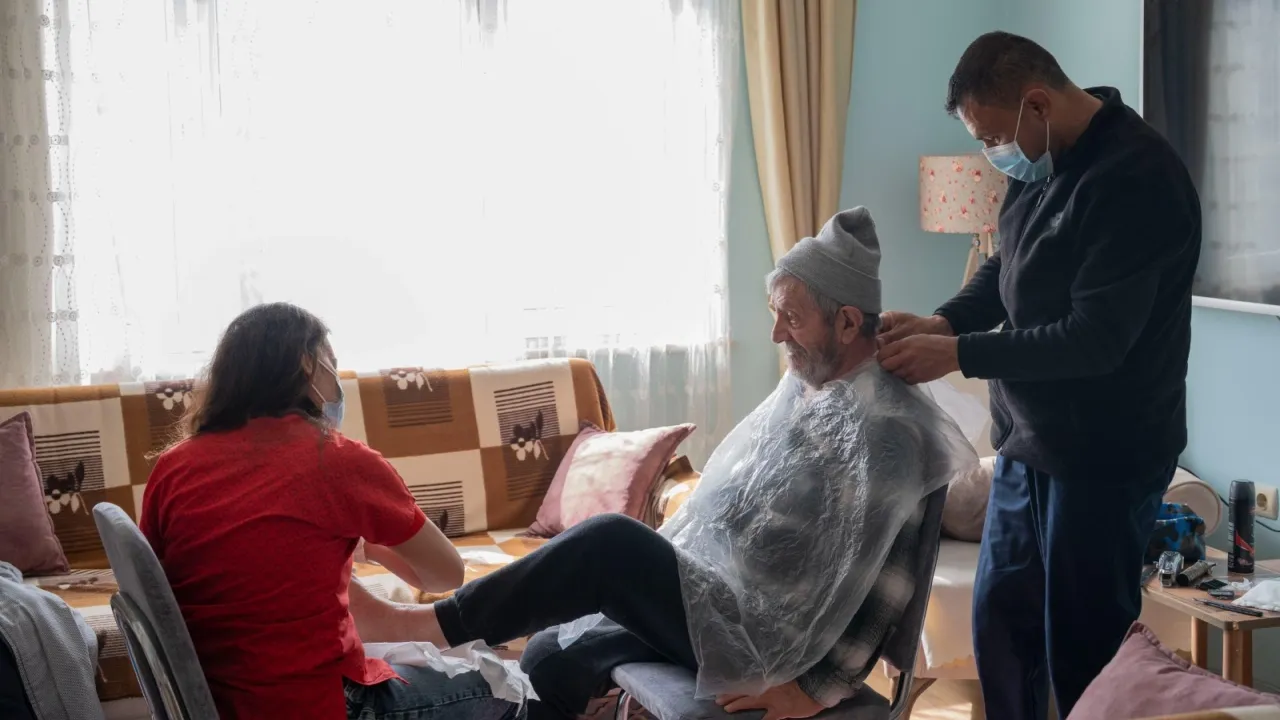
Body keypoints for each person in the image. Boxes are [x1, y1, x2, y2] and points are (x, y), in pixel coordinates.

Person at [392, 208, 976, 720]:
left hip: (772, 644)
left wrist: (813, 689)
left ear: (847, 323)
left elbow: (888, 582)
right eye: (775, 313)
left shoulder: (893, 431)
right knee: (550, 653)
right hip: (729, 607)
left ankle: (430, 626)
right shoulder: (816, 388)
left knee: (609, 544)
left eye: (792, 318)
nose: (776, 333)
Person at [876, 32, 1202, 719]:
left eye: (994, 136)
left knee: (1084, 652)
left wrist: (960, 355)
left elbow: (1094, 341)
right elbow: (1008, 265)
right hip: (1026, 446)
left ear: (1037, 104)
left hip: (1103, 459)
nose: (993, 153)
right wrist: (945, 322)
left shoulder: (1137, 178)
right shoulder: (1041, 161)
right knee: (1002, 631)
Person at [140, 303, 524, 720]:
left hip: (211, 704)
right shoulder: (338, 460)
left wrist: (361, 546)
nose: (338, 382)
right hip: (312, 704)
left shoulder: (173, 466)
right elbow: (445, 574)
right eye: (333, 365)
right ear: (308, 364)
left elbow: (154, 585)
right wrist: (373, 547)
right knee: (505, 686)